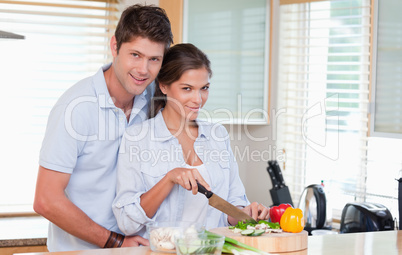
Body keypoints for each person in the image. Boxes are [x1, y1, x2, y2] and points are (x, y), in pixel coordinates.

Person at [33, 4, 173, 251]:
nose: (143, 70)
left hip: (138, 247)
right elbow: (46, 200)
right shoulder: (75, 108)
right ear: (115, 46)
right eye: (135, 55)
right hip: (83, 250)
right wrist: (114, 241)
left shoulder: (155, 98)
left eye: (154, 59)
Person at [112, 43, 269, 237]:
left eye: (204, 88)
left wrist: (245, 214)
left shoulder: (217, 136)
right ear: (163, 86)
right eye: (187, 88)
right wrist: (169, 178)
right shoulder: (137, 138)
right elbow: (127, 223)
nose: (198, 99)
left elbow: (232, 206)